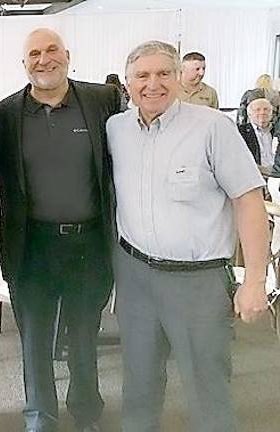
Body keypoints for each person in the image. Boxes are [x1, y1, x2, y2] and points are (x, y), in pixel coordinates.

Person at [108, 40, 269, 432]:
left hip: (198, 281)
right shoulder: (116, 128)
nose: (152, 84)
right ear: (127, 83)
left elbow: (249, 202)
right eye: (141, 76)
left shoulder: (213, 127)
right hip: (135, 277)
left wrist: (255, 281)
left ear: (179, 77)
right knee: (138, 387)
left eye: (163, 73)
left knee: (207, 389)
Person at [0, 28, 121, 432]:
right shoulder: (5, 114)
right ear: (24, 63)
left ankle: (86, 414)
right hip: (32, 245)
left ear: (67, 55)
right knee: (35, 340)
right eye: (34, 53)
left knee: (84, 336)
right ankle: (40, 419)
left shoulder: (102, 100)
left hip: (90, 242)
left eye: (51, 50)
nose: (44, 59)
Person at [238, 98, 277, 167]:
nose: (262, 112)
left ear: (271, 113)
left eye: (266, 109)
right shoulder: (240, 132)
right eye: (257, 110)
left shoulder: (277, 130)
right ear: (249, 115)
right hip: (255, 174)